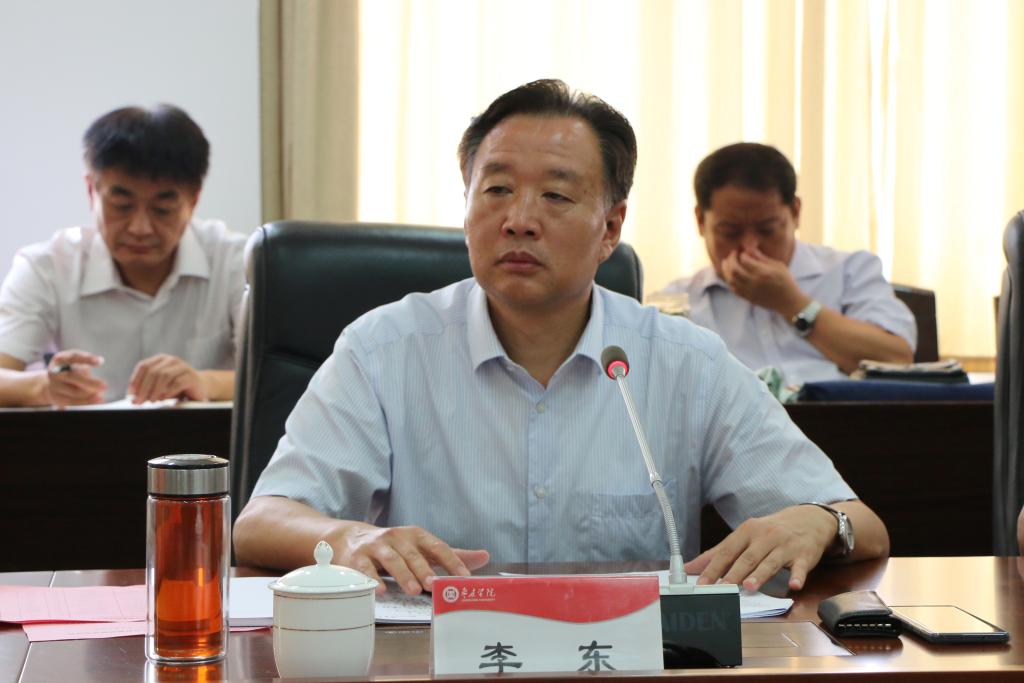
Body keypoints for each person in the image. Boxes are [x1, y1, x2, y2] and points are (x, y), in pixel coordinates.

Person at [234, 80, 888, 596]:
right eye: (495, 189)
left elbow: (864, 525)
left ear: (611, 229)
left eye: (555, 195)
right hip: (432, 664)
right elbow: (261, 522)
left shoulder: (684, 362)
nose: (518, 219)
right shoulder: (383, 350)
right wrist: (349, 539)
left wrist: (821, 521)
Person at [0, 104, 247, 407]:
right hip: (83, 437)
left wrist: (204, 382)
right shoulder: (47, 267)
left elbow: (283, 379)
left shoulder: (237, 261)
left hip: (207, 439)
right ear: (91, 191)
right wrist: (42, 387)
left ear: (194, 200)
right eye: (122, 205)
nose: (140, 228)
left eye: (162, 209)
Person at [653, 143, 916, 386]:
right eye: (730, 232)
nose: (750, 247)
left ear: (796, 212)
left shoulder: (850, 271)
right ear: (701, 221)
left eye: (767, 230)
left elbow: (896, 358)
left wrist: (792, 304)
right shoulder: (677, 303)